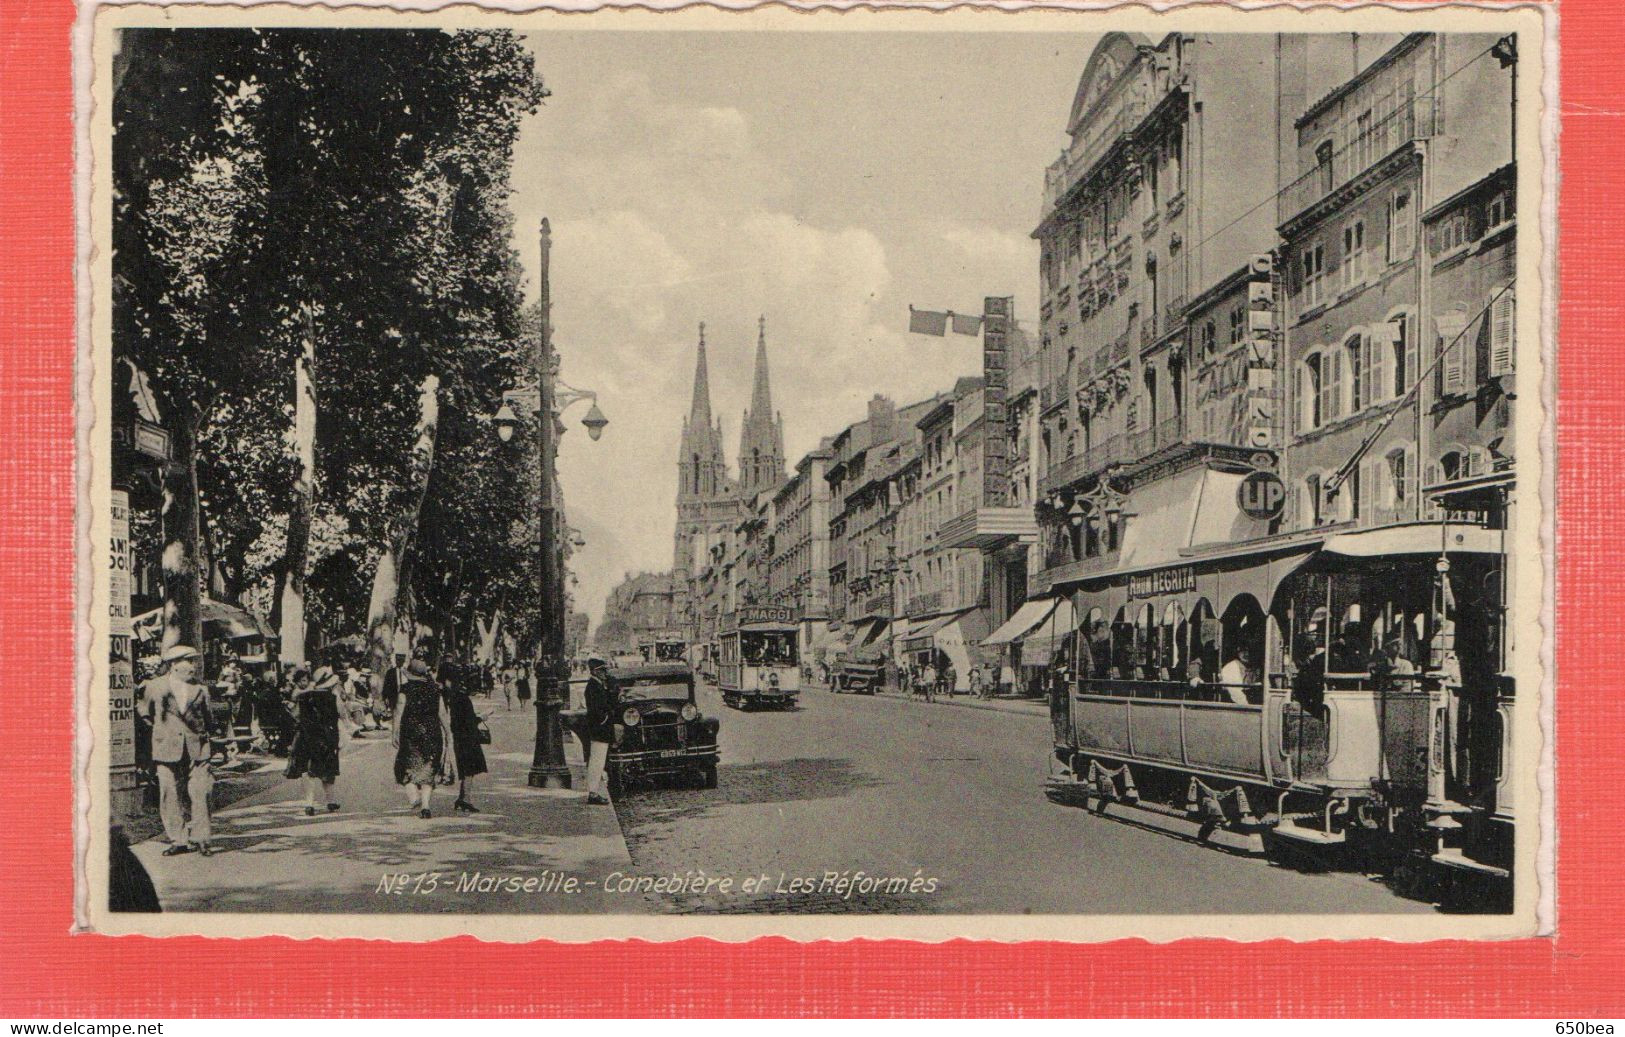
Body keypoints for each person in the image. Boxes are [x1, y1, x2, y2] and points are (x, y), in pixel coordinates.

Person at [144, 644, 216, 857]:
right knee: (170, 793)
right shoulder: (155, 687)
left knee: (202, 791)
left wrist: (203, 737)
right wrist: (162, 733)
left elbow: (209, 718)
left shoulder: (201, 689)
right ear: (174, 665)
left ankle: (201, 838)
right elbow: (144, 713)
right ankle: (179, 839)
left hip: (198, 747)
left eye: (194, 661)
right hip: (166, 747)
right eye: (189, 661)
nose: (194, 666)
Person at [393, 656, 453, 818]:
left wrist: (394, 732)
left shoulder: (405, 689)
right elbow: (442, 713)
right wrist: (448, 732)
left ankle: (414, 798)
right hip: (432, 733)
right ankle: (425, 806)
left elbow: (399, 711)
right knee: (428, 768)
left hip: (410, 733)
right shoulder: (435, 689)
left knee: (406, 767)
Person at [284, 665, 341, 815]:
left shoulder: (303, 696)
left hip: (306, 737)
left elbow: (295, 715)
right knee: (328, 771)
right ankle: (330, 801)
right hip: (327, 738)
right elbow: (341, 716)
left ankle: (309, 804)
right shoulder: (332, 697)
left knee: (308, 771)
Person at [440, 658, 488, 813]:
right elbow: (467, 720)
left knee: (466, 766)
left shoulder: (448, 697)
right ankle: (465, 798)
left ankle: (462, 797)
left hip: (459, 736)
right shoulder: (461, 697)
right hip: (468, 736)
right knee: (470, 767)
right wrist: (481, 718)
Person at [582, 656, 618, 804]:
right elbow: (598, 709)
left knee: (598, 760)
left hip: (600, 728)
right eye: (602, 671)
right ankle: (593, 792)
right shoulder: (593, 687)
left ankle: (594, 790)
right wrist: (605, 718)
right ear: (595, 672)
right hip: (600, 728)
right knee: (597, 760)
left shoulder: (597, 685)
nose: (605, 673)